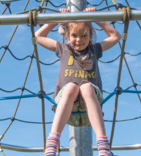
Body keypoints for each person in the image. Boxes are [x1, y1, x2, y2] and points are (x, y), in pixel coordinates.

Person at [35, 8, 122, 156]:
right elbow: (38, 36)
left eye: (84, 36)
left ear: (90, 36)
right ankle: (52, 142)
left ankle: (103, 145)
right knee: (71, 87)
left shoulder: (95, 50)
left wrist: (95, 17)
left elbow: (116, 36)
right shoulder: (63, 49)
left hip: (90, 111)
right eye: (74, 35)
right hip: (66, 108)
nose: (79, 40)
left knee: (87, 87)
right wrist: (59, 18)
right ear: (68, 35)